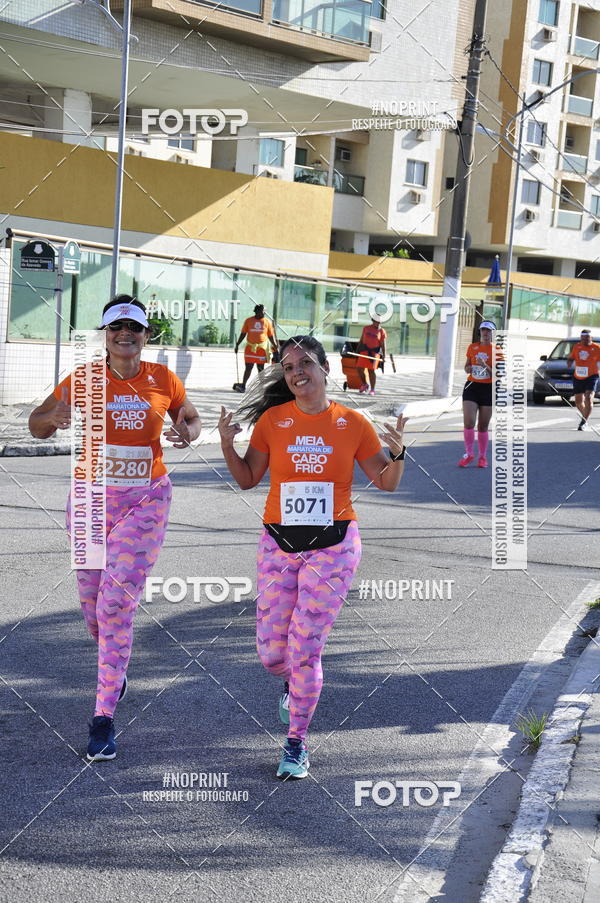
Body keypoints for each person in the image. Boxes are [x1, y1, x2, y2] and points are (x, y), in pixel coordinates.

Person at [218, 335, 406, 779]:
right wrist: (227, 443)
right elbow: (247, 479)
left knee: (304, 650)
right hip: (277, 545)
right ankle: (292, 684)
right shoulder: (272, 421)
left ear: (325, 368)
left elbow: (387, 482)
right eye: (288, 366)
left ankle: (296, 743)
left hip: (334, 546)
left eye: (305, 362)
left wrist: (398, 450)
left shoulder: (352, 423)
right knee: (270, 654)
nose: (297, 371)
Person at [28, 295, 201, 761]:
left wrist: (186, 431)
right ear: (105, 335)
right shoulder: (82, 378)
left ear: (146, 334)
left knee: (116, 603)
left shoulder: (163, 378)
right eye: (115, 327)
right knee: (93, 609)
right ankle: (116, 670)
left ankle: (103, 717)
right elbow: (35, 425)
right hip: (89, 500)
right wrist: (54, 417)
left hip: (146, 499)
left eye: (134, 327)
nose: (125, 334)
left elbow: (191, 419)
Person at [458, 320, 499, 468]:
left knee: (482, 426)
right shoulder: (472, 347)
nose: (485, 333)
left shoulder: (498, 351)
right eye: (483, 330)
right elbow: (466, 366)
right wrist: (469, 368)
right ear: (480, 332)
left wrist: (485, 365)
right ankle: (469, 454)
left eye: (488, 331)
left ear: (493, 333)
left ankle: (482, 457)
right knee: (469, 422)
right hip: (472, 386)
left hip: (488, 389)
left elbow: (499, 374)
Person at [233, 304, 278, 392]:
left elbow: (270, 336)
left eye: (265, 311)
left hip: (262, 349)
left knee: (261, 368)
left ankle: (261, 388)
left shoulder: (267, 322)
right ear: (257, 311)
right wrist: (237, 344)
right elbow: (243, 334)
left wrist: (276, 346)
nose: (264, 313)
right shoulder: (248, 321)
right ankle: (243, 386)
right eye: (263, 311)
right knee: (248, 367)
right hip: (250, 348)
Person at [567, 328, 600, 431]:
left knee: (589, 398)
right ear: (580, 338)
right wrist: (569, 361)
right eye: (583, 338)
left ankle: (584, 421)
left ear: (592, 338)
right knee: (578, 402)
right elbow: (572, 357)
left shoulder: (597, 348)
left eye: (587, 338)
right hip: (578, 376)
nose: (585, 340)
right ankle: (585, 417)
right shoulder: (577, 346)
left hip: (592, 376)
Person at [356, 315, 386, 395]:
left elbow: (383, 345)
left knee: (371, 371)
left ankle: (372, 389)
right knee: (359, 368)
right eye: (377, 321)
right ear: (373, 321)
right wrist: (357, 349)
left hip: (374, 353)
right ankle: (364, 384)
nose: (378, 323)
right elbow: (361, 340)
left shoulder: (381, 331)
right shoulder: (366, 328)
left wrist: (384, 356)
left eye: (380, 321)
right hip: (364, 351)